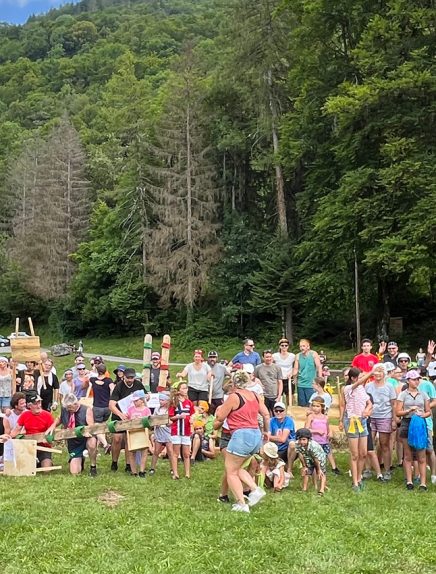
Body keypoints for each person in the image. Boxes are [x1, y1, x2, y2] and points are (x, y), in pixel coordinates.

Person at [214, 370, 270, 513]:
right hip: (255, 434)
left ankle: (242, 503)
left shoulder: (234, 397)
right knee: (237, 468)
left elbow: (220, 416)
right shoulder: (255, 396)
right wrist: (266, 431)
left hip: (241, 435)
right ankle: (255, 489)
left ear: (234, 382)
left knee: (230, 471)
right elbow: (265, 414)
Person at [339, 367, 373, 491]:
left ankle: (359, 477)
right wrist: (372, 372)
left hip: (362, 421)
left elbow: (369, 403)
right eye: (360, 376)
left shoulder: (362, 389)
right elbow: (359, 382)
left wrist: (367, 410)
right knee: (355, 454)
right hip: (352, 421)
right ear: (353, 378)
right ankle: (355, 482)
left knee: (363, 453)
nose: (362, 379)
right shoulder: (347, 388)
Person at [396, 370, 431, 490]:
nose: (416, 381)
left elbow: (428, 411)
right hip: (407, 423)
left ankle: (422, 482)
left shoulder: (423, 394)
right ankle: (409, 481)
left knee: (421, 455)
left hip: (420, 424)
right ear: (408, 381)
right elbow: (397, 412)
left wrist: (423, 415)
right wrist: (408, 411)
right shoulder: (403, 395)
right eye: (413, 379)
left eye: (417, 379)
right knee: (408, 455)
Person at [47, 393, 97, 476]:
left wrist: (87, 432)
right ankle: (80, 459)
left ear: (76, 403)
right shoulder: (65, 409)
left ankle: (93, 466)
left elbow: (91, 426)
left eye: (70, 407)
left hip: (85, 439)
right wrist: (53, 426)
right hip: (73, 442)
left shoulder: (86, 410)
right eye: (67, 407)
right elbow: (59, 418)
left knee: (92, 442)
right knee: (74, 472)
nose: (68, 409)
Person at [109, 367, 145, 472]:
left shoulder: (138, 385)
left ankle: (129, 464)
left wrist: (145, 398)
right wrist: (120, 415)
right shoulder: (119, 386)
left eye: (132, 378)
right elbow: (111, 405)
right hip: (119, 415)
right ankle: (114, 461)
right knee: (117, 439)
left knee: (129, 440)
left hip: (132, 415)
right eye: (128, 378)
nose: (130, 380)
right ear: (124, 377)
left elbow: (145, 395)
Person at [365, 363, 397, 480]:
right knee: (369, 444)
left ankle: (387, 470)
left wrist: (394, 419)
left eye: (380, 371)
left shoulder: (389, 387)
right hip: (370, 417)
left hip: (385, 416)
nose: (378, 374)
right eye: (376, 371)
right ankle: (368, 469)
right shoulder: (368, 386)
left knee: (385, 444)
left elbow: (394, 404)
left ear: (384, 373)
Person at [11, 395, 55, 468]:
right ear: (29, 405)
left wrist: (48, 439)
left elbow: (52, 433)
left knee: (46, 469)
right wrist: (8, 437)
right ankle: (35, 463)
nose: (38, 406)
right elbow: (16, 430)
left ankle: (45, 462)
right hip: (29, 447)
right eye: (35, 404)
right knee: (26, 468)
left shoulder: (47, 415)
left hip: (44, 447)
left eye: (39, 403)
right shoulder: (25, 415)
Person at [306, 396, 340, 474]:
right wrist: (316, 431)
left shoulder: (325, 417)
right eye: (313, 406)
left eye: (317, 406)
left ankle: (334, 467)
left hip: (324, 440)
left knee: (328, 452)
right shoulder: (311, 417)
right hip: (315, 441)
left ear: (322, 407)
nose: (315, 408)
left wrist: (330, 432)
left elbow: (327, 427)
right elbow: (306, 429)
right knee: (315, 456)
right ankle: (315, 468)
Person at [168, 381, 195, 479]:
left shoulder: (189, 402)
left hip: (186, 430)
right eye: (183, 388)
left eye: (186, 388)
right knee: (175, 453)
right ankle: (175, 473)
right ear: (178, 390)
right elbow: (171, 417)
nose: (185, 390)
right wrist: (179, 416)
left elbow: (192, 414)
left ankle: (187, 473)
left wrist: (192, 419)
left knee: (186, 453)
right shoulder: (174, 402)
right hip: (176, 430)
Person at [89, 363, 115, 454]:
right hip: (107, 408)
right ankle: (100, 448)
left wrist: (93, 369)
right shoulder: (109, 381)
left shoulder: (93, 380)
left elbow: (88, 377)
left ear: (97, 371)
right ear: (105, 371)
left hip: (97, 407)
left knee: (96, 428)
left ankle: (105, 444)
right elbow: (113, 389)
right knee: (102, 427)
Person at [126, 390, 152, 477]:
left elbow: (149, 422)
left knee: (144, 451)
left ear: (142, 400)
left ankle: (142, 470)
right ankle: (133, 471)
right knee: (131, 452)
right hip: (132, 433)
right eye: (134, 400)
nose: (135, 402)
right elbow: (126, 420)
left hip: (142, 432)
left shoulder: (146, 410)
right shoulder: (130, 409)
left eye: (136, 400)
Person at [295, 428, 327, 495]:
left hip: (319, 458)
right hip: (307, 457)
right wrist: (304, 466)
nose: (301, 442)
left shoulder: (313, 446)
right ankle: (304, 489)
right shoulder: (297, 444)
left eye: (304, 439)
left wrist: (318, 469)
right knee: (307, 472)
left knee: (321, 473)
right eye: (300, 439)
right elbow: (300, 454)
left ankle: (321, 490)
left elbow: (315, 459)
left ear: (308, 439)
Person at [268, 400, 296, 475]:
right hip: (276, 448)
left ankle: (289, 470)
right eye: (276, 410)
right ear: (273, 411)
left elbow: (283, 439)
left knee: (292, 444)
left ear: (285, 411)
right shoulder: (271, 421)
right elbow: (267, 437)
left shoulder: (289, 420)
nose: (278, 412)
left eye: (281, 410)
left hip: (287, 448)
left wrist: (270, 437)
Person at [292, 339, 322, 407]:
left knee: (311, 403)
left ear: (308, 347)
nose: (302, 348)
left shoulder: (313, 354)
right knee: (302, 405)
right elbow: (296, 369)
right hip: (301, 384)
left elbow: (319, 366)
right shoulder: (298, 356)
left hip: (311, 384)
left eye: (303, 346)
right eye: (300, 346)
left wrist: (320, 379)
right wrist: (294, 378)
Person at [149, 392, 173, 475]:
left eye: (162, 400)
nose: (160, 401)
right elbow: (153, 419)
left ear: (167, 400)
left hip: (168, 431)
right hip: (159, 431)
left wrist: (169, 423)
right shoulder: (157, 409)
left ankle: (172, 468)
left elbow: (172, 421)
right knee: (156, 450)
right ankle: (152, 468)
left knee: (170, 451)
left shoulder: (170, 409)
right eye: (160, 400)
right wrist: (156, 423)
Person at [254, 350, 283, 415]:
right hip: (263, 396)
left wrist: (279, 396)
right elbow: (254, 379)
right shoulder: (258, 368)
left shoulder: (277, 368)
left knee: (276, 414)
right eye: (267, 357)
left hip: (274, 395)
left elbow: (280, 382)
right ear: (263, 358)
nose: (269, 359)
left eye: (270, 357)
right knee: (264, 415)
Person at [272, 338, 295, 405]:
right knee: (279, 396)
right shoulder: (275, 356)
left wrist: (292, 373)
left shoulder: (292, 356)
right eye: (282, 345)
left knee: (290, 396)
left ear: (288, 346)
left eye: (286, 345)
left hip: (289, 378)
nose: (284, 347)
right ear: (280, 346)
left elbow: (296, 367)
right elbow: (271, 365)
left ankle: (290, 410)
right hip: (279, 379)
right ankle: (279, 410)